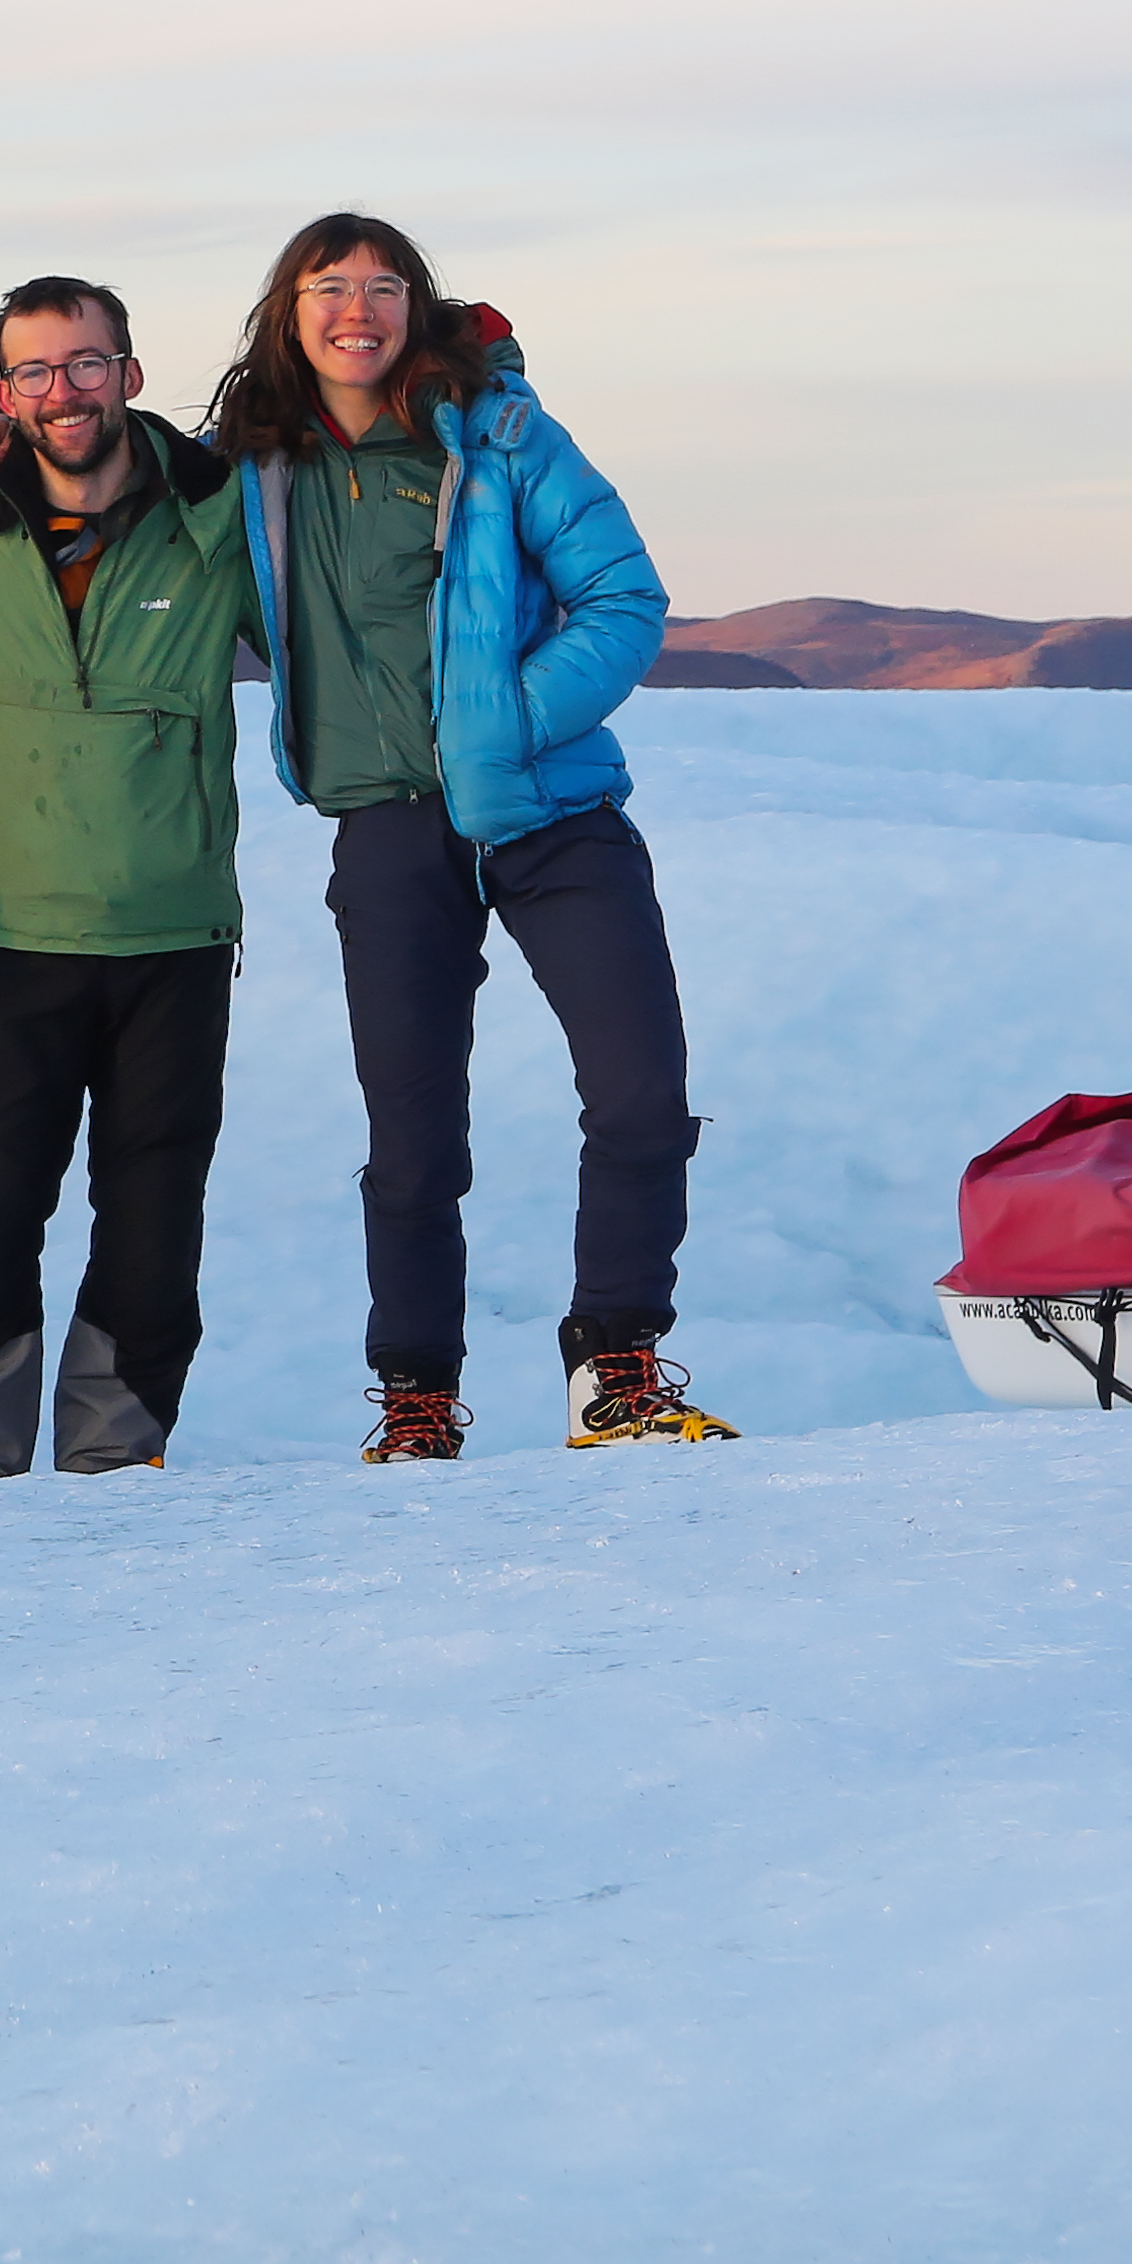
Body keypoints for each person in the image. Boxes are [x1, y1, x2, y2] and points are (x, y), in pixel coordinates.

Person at [204, 216, 729, 1456]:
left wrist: (500, 730)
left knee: (644, 1092)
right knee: (412, 1135)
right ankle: (418, 1400)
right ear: (287, 314)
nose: (357, 310)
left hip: (555, 812)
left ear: (416, 307)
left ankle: (616, 1369)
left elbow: (625, 595)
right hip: (387, 828)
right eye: (328, 288)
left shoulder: (499, 431)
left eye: (383, 287)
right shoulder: (249, 468)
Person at [0, 275, 262, 1478]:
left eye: (87, 364)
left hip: (176, 934)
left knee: (152, 1217)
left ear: (131, 376)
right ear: (2, 393)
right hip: (22, 932)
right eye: (35, 371)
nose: (63, 391)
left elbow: (340, 595)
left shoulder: (215, 516)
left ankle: (114, 1456)